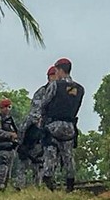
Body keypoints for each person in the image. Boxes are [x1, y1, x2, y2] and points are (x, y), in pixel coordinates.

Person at [29, 58, 84, 192]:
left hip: (53, 126)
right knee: (68, 156)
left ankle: (48, 180)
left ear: (59, 70)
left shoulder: (55, 85)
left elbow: (44, 103)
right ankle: (70, 186)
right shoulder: (80, 88)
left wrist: (42, 120)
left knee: (50, 152)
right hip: (70, 127)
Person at [17, 66, 57, 187]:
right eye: (54, 75)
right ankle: (20, 187)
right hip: (35, 132)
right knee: (26, 161)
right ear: (50, 77)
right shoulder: (42, 92)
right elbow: (34, 113)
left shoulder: (61, 91)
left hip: (52, 130)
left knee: (45, 162)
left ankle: (41, 187)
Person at [0, 98, 20, 190]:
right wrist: (10, 135)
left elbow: (16, 132)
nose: (7, 109)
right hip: (1, 148)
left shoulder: (10, 120)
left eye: (9, 107)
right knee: (2, 170)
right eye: (4, 107)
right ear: (0, 108)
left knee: (8, 173)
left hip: (11, 148)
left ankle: (3, 190)